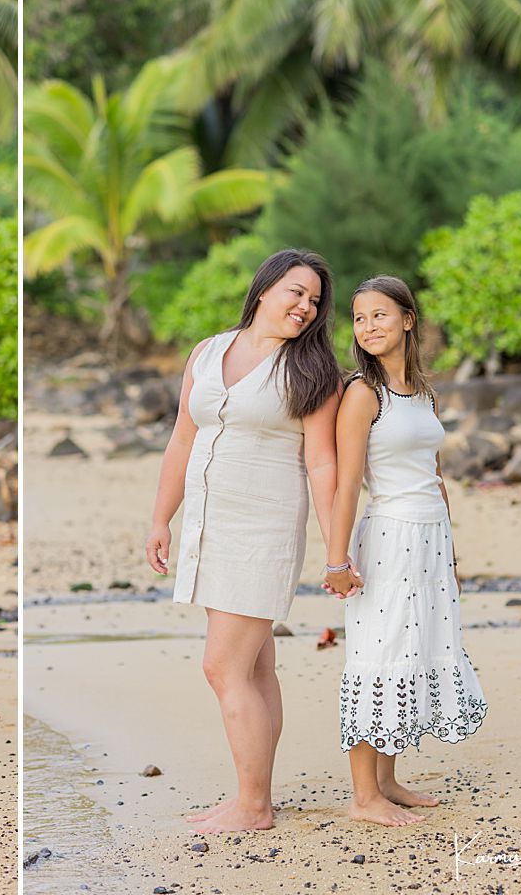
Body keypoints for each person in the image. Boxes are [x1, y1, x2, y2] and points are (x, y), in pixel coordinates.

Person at [145, 248, 346, 833]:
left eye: (314, 300)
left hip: (265, 530)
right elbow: (182, 440)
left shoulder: (313, 373)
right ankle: (253, 795)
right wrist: (162, 519)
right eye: (295, 292)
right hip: (210, 523)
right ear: (264, 289)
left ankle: (253, 807)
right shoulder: (207, 352)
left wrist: (336, 549)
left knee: (222, 666)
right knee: (255, 667)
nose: (305, 307)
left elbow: (323, 465)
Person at [324, 275, 488, 826]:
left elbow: (435, 476)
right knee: (379, 654)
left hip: (431, 538)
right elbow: (347, 483)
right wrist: (336, 559)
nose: (368, 326)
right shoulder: (360, 394)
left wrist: (454, 558)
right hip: (388, 537)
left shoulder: (423, 391)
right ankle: (363, 796)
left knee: (412, 651)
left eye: (380, 315)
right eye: (359, 317)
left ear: (408, 320)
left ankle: (388, 781)